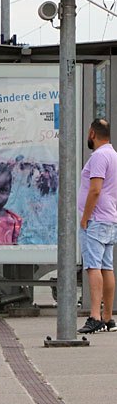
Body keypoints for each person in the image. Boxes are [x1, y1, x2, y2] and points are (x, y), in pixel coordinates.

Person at [77, 119, 117, 334]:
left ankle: (94, 316)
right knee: (106, 267)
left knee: (93, 267)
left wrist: (85, 218)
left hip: (96, 220)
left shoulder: (100, 156)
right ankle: (109, 318)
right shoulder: (113, 155)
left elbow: (95, 190)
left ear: (92, 133)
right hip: (109, 218)